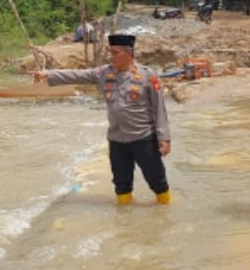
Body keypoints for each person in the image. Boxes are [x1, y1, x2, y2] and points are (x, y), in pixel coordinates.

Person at [34, 34, 172, 205]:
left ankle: (165, 212)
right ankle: (124, 216)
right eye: (110, 52)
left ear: (129, 53)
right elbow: (77, 75)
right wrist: (48, 74)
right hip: (117, 140)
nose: (111, 56)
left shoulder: (147, 75)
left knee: (157, 180)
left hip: (143, 138)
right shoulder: (104, 73)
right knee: (121, 184)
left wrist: (164, 137)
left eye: (115, 53)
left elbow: (159, 108)